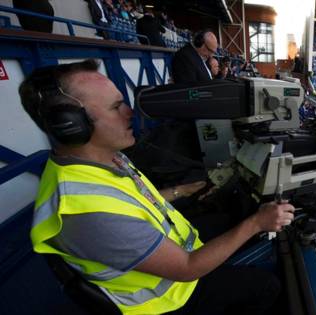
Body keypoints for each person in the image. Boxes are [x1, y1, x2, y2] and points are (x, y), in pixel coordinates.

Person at [21, 60, 294, 314]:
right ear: (72, 126)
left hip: (171, 247)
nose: (129, 112)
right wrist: (258, 223)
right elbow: (188, 268)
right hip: (171, 298)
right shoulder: (85, 211)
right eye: (116, 107)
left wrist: (181, 191)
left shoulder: (100, 159)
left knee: (233, 214)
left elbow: (133, 203)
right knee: (266, 285)